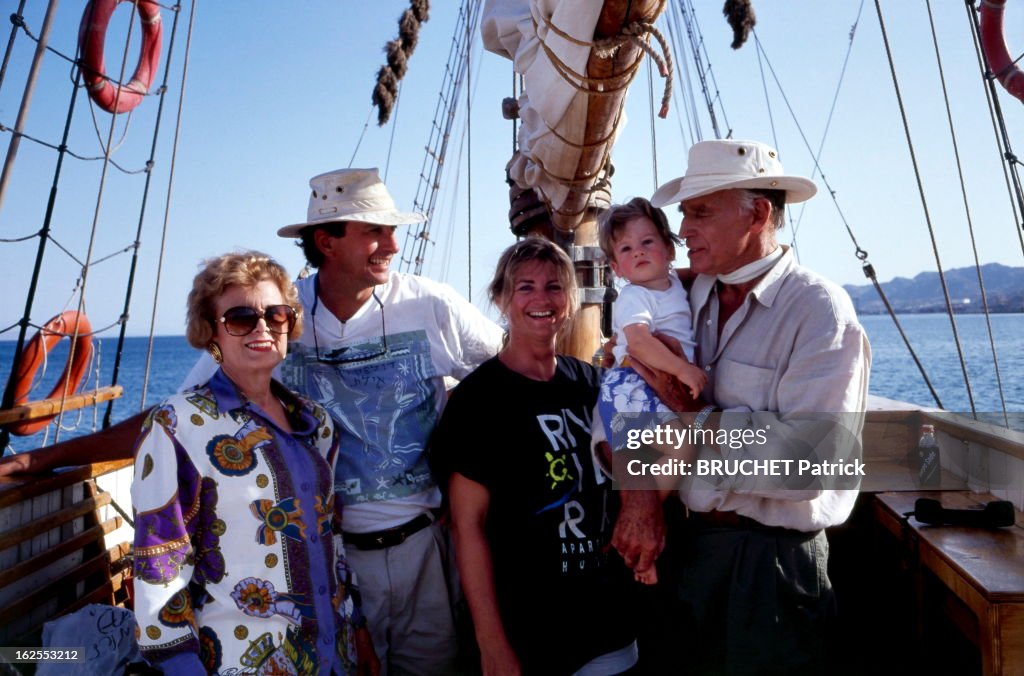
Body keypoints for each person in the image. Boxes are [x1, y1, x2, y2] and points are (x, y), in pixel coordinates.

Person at [2, 168, 502, 675]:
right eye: (375, 229)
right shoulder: (263, 327)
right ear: (327, 242)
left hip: (420, 551)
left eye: (276, 319)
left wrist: (468, 477)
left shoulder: (421, 315)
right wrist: (37, 459)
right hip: (321, 570)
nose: (392, 244)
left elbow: (507, 381)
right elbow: (172, 431)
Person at [610, 139, 871, 675]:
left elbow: (810, 462)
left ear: (758, 213)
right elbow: (627, 385)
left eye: (701, 212)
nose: (683, 231)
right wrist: (639, 490)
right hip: (688, 549)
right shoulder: (689, 295)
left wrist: (696, 421)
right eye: (683, 214)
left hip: (768, 565)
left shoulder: (817, 309)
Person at [131, 251, 377, 675]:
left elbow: (330, 538)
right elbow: (159, 562)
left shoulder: (314, 422)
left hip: (334, 656)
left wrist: (357, 630)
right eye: (241, 318)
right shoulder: (177, 425)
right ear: (211, 332)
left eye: (276, 315)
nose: (262, 328)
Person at [430, 237, 639, 676]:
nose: (541, 299)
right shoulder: (477, 401)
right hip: (528, 630)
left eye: (554, 287)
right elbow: (468, 529)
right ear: (502, 299)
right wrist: (491, 644)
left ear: (570, 299)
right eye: (525, 287)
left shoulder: (591, 384)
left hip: (605, 621)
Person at [595, 198, 706, 578]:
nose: (638, 252)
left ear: (669, 249)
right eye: (626, 249)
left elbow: (692, 276)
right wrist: (684, 369)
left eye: (648, 242)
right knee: (681, 444)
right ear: (615, 268)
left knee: (677, 447)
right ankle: (641, 535)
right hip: (631, 385)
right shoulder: (633, 297)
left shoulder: (675, 282)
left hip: (646, 387)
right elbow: (640, 343)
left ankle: (637, 530)